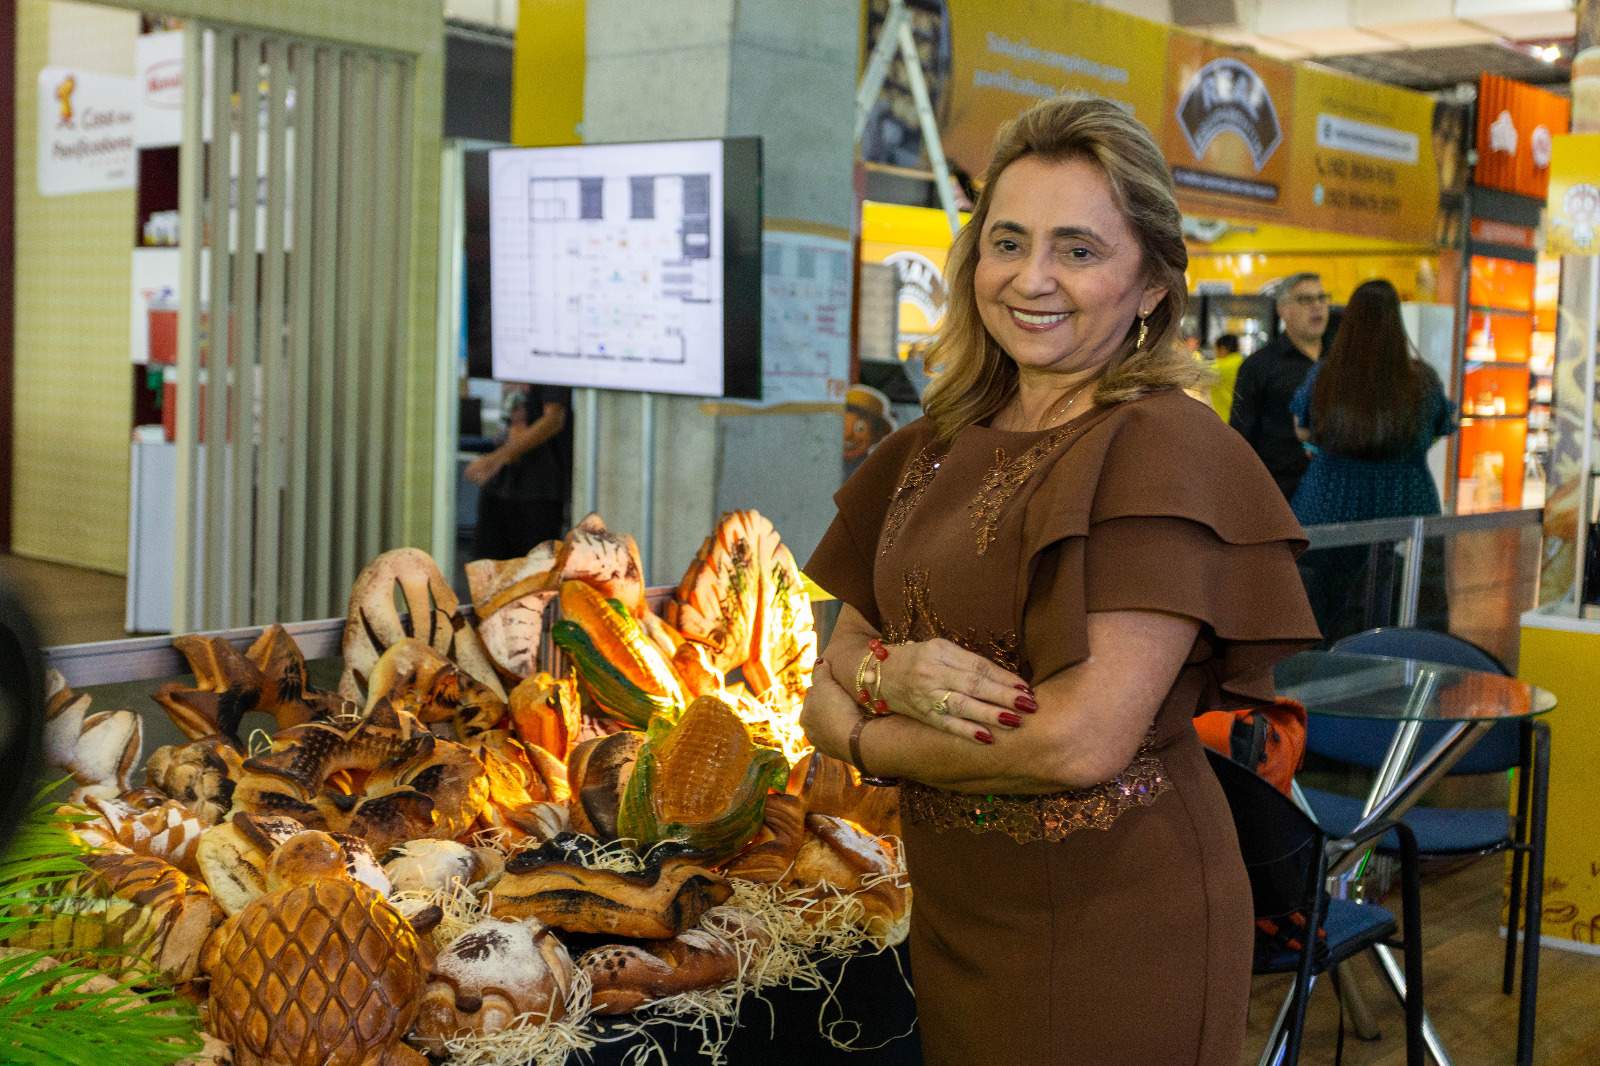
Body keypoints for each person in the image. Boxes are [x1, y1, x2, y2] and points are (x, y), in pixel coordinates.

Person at [800, 97, 1319, 1065]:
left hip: (1115, 918)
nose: (1031, 279)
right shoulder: (929, 445)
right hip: (957, 911)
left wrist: (864, 727)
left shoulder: (1161, 449)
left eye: (1078, 250)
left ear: (1153, 285)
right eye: (1008, 241)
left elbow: (1078, 740)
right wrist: (889, 676)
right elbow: (831, 658)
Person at [1290, 278, 1457, 639]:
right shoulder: (1421, 379)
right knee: (1405, 611)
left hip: (1329, 504)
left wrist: (1327, 445)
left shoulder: (1325, 375)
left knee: (1325, 615)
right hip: (1406, 504)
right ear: (1396, 322)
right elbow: (1442, 426)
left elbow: (1302, 428)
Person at [1229, 272, 1331, 500]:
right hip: (1281, 493)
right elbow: (1241, 436)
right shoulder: (1259, 366)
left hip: (1334, 489)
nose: (1317, 306)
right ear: (1283, 310)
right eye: (1305, 300)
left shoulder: (1340, 360)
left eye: (1322, 298)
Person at [464, 383, 573, 558]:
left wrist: (495, 459)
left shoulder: (548, 369)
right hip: (502, 483)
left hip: (539, 489)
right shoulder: (512, 367)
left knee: (533, 572)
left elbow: (554, 419)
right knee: (486, 565)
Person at [1209, 332, 1243, 420]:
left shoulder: (1219, 367)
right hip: (1240, 415)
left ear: (1223, 349)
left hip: (1223, 416)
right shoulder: (1244, 363)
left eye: (1215, 349)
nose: (1215, 353)